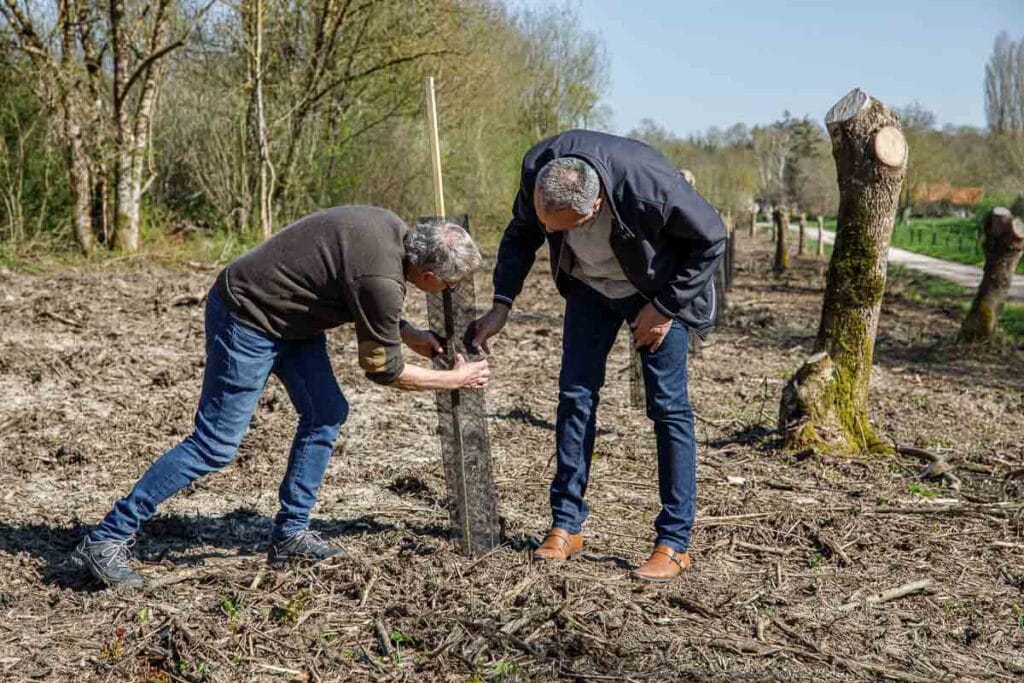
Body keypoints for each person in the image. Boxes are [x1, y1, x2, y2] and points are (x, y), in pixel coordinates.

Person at [73, 206, 490, 588]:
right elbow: (385, 371)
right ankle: (107, 537)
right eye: (448, 286)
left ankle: (291, 534)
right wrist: (455, 380)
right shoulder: (383, 280)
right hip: (248, 315)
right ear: (430, 276)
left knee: (326, 412)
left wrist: (409, 334)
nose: (445, 293)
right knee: (215, 445)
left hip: (294, 320)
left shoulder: (390, 230)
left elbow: (355, 290)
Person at [468, 130, 725, 582]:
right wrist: (501, 304)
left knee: (667, 408)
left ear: (596, 206)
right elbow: (522, 233)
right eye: (550, 223)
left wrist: (664, 308)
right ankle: (567, 524)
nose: (552, 232)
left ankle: (674, 542)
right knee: (575, 396)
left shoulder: (649, 186)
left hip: (657, 289)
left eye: (563, 227)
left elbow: (711, 240)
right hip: (589, 288)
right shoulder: (538, 171)